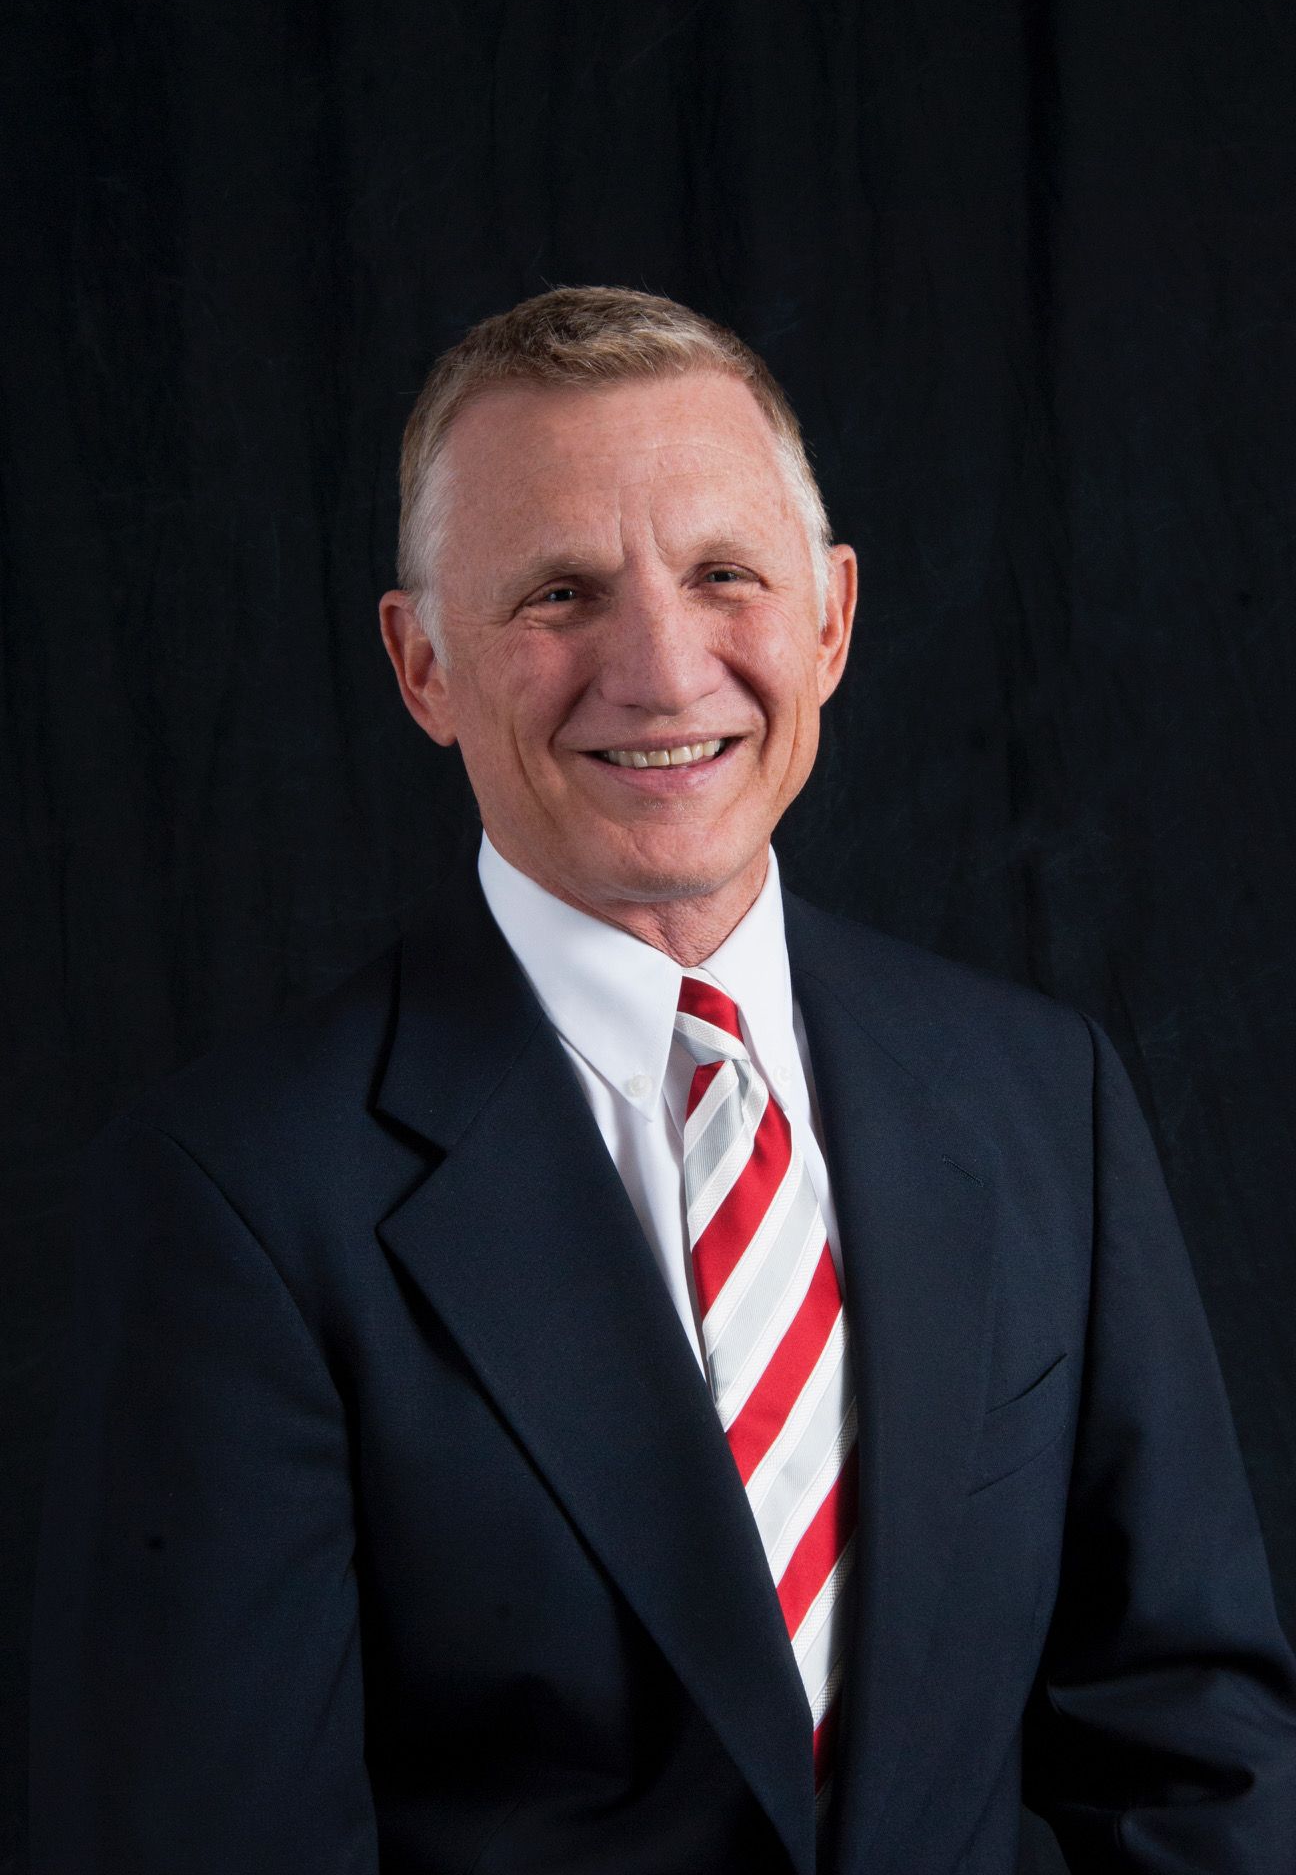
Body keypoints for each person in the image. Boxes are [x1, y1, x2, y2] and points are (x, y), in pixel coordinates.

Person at [29, 286, 1296, 1875]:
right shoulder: (241, 1198)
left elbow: (1193, 1745)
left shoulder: (1043, 1099)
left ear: (829, 620)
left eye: (722, 575)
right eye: (560, 593)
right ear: (422, 666)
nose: (661, 669)